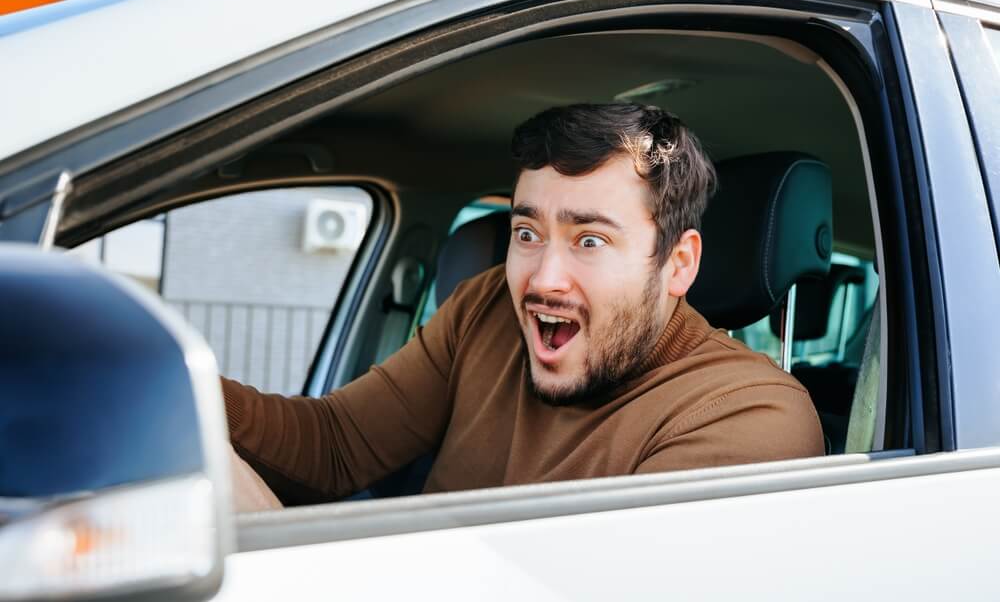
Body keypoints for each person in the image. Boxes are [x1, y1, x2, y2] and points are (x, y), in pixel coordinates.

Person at [223, 103, 824, 509]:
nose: (543, 280)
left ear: (678, 264)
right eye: (528, 233)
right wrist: (174, 394)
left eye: (590, 240)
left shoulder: (749, 418)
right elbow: (336, 443)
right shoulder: (487, 309)